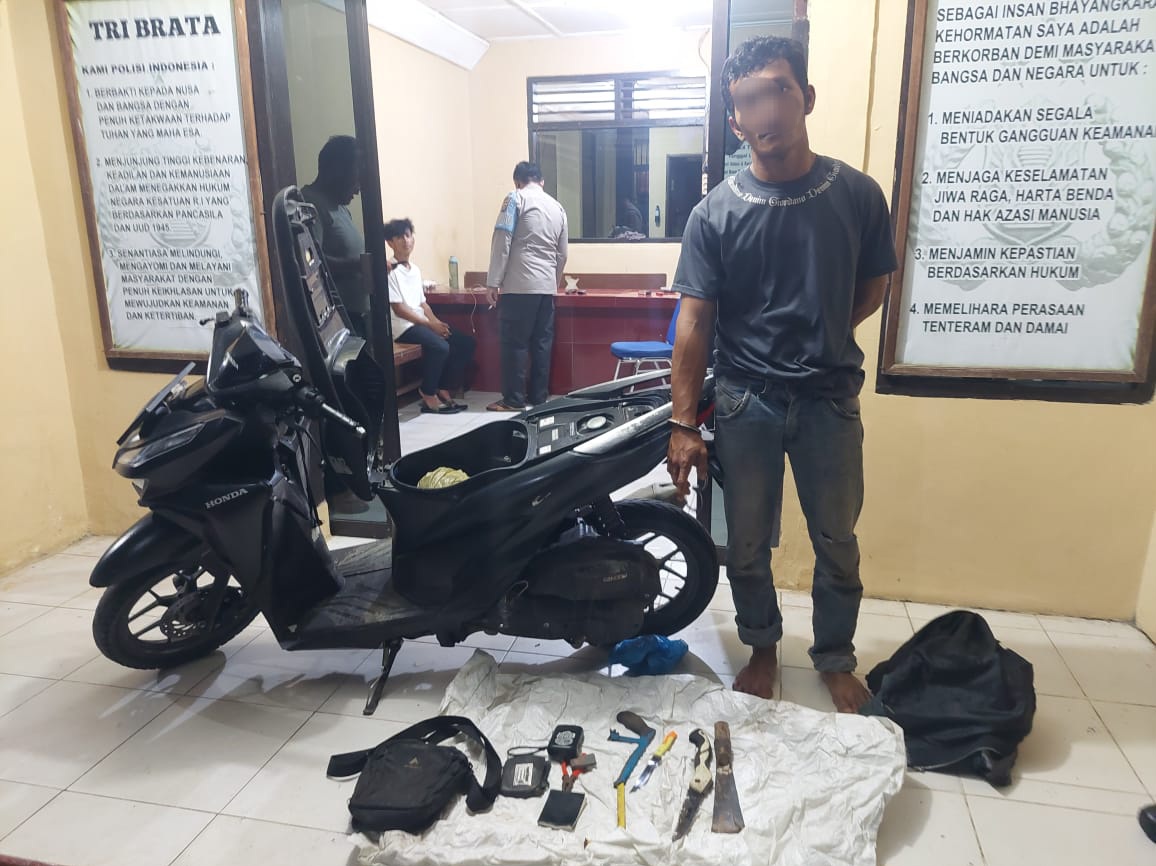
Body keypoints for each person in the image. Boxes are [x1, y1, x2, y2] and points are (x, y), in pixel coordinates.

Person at [666, 36, 897, 713]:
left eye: (777, 90)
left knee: (837, 540)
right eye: (747, 99)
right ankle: (762, 649)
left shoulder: (857, 195)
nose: (764, 110)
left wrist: (825, 329)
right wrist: (683, 422)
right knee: (745, 543)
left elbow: (875, 283)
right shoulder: (715, 213)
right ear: (734, 119)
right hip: (747, 402)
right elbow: (694, 322)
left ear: (807, 98)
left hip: (829, 400)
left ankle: (834, 657)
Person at [485, 162, 568, 411]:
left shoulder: (515, 198)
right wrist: (552, 281)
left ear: (517, 181)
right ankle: (538, 398)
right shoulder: (558, 207)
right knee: (542, 344)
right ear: (541, 181)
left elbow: (502, 240)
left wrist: (493, 281)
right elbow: (562, 254)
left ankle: (513, 400)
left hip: (519, 286)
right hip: (546, 287)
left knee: (515, 344)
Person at [386, 218, 475, 414]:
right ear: (390, 243)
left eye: (408, 235)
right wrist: (429, 326)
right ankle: (427, 392)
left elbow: (422, 304)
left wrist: (436, 322)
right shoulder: (390, 271)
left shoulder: (415, 270)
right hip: (403, 328)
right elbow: (399, 309)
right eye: (399, 237)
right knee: (440, 346)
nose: (406, 240)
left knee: (465, 343)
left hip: (421, 323)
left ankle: (443, 387)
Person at [300, 135, 369, 338]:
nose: (359, 188)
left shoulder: (340, 208)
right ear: (337, 170)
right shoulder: (311, 205)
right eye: (357, 175)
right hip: (338, 323)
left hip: (357, 318)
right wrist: (358, 265)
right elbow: (312, 264)